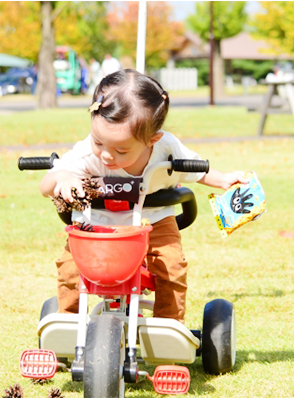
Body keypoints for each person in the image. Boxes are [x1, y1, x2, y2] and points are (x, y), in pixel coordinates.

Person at [39, 69, 247, 323]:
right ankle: (67, 322)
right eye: (99, 142)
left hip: (154, 220)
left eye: (121, 149)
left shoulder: (166, 148)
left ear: (152, 140)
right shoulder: (86, 154)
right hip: (95, 224)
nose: (106, 154)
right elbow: (47, 183)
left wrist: (223, 179)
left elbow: (195, 170)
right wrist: (63, 178)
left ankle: (169, 325)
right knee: (70, 268)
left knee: (171, 265)